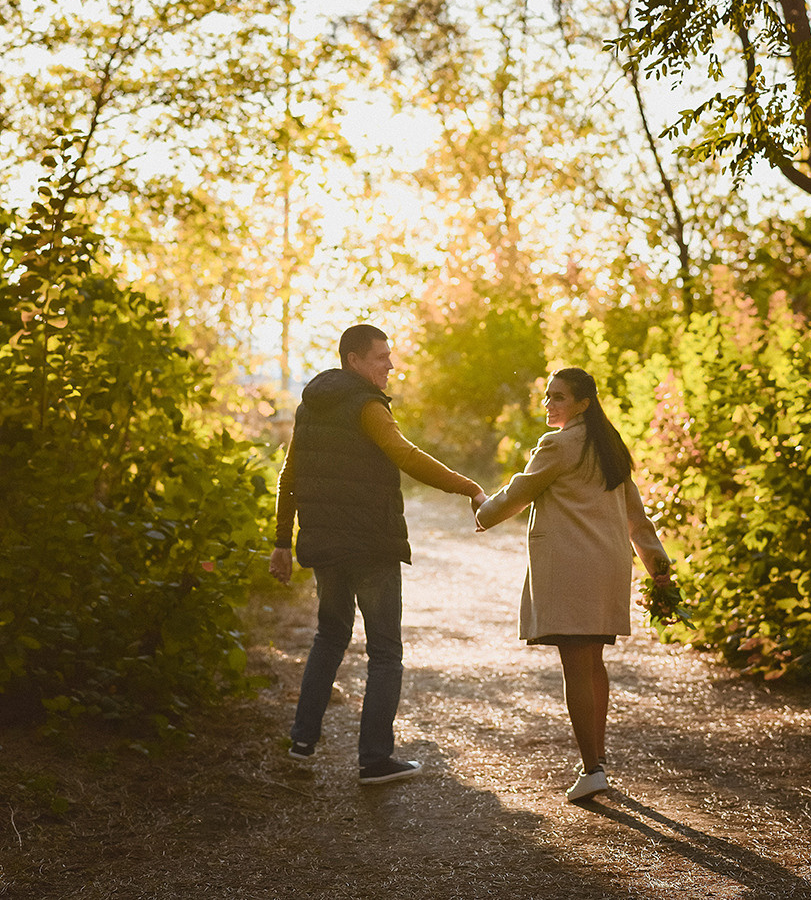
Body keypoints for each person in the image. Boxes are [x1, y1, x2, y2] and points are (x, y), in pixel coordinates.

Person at [269, 323, 485, 785]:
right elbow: (403, 454)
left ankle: (302, 742)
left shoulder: (310, 405)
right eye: (380, 357)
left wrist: (282, 542)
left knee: (329, 637)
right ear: (353, 360)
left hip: (325, 545)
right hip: (369, 544)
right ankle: (374, 759)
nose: (390, 365)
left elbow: (290, 474)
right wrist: (467, 486)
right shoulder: (366, 405)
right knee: (385, 652)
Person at [475, 366, 672, 803]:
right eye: (548, 396)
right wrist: (657, 560)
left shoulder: (558, 444)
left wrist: (482, 510)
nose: (549, 404)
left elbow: (518, 492)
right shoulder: (608, 445)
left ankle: (592, 767)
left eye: (559, 397)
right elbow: (636, 518)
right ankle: (596, 761)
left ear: (583, 403)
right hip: (606, 569)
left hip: (571, 571)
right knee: (592, 664)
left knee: (577, 668)